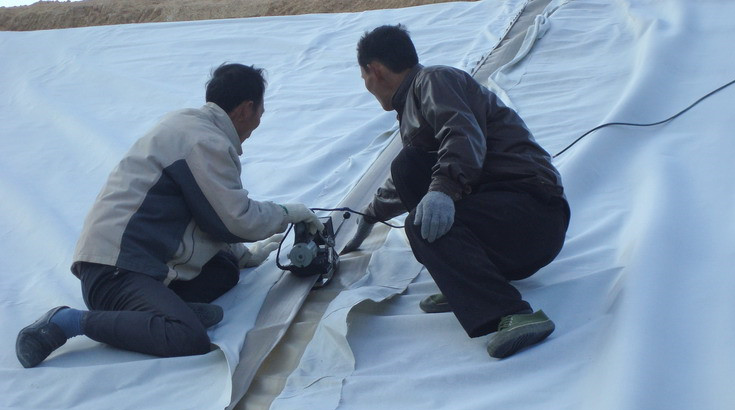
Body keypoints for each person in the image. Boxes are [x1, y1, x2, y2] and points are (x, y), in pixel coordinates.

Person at [16, 63, 321, 368]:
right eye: (260, 114)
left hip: (135, 264)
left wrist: (245, 256)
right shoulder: (204, 141)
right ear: (247, 108)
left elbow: (208, 215)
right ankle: (67, 322)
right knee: (187, 337)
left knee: (226, 269)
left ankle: (174, 308)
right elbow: (235, 218)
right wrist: (288, 213)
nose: (257, 124)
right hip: (116, 273)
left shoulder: (189, 127)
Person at [343, 25, 570, 359]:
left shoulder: (434, 80)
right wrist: (369, 214)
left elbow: (461, 134)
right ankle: (468, 285)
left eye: (362, 76)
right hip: (507, 226)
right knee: (407, 168)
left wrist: (443, 191)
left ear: (373, 70)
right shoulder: (413, 106)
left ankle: (515, 314)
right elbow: (411, 172)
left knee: (419, 221)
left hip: (532, 211)